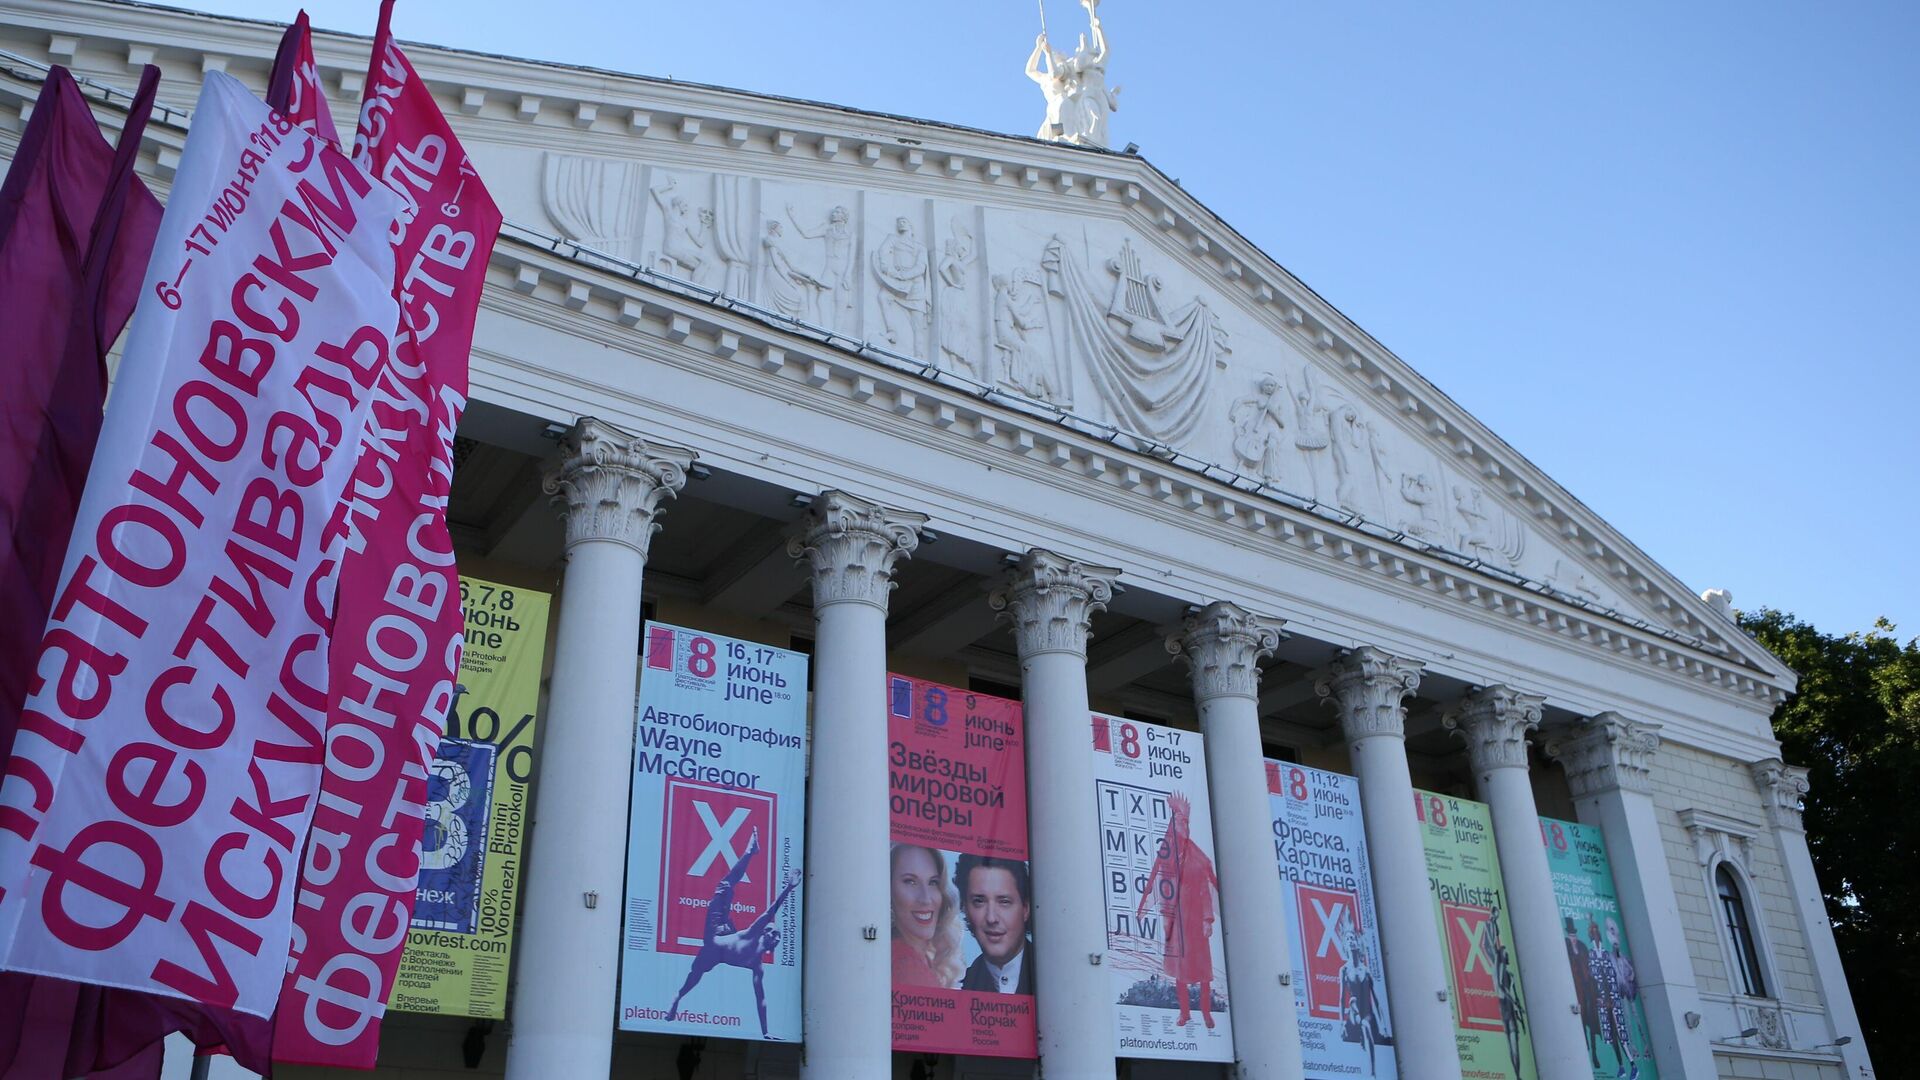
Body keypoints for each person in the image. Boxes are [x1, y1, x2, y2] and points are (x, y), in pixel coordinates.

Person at [663, 828, 799, 1040]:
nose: (777, 937)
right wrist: (789, 888)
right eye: (773, 932)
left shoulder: (757, 965)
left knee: (696, 974)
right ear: (765, 932)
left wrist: (765, 1032)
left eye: (779, 936)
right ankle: (749, 852)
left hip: (720, 944)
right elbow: (770, 910)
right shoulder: (753, 933)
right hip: (717, 933)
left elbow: (760, 998)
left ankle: (677, 997)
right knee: (725, 886)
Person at [1133, 792, 1220, 1028]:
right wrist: (1151, 912)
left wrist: (1207, 919)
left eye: (1187, 823)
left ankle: (1206, 1012)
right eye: (1181, 823)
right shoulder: (1168, 854)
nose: (1185, 827)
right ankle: (1185, 1013)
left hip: (1195, 920)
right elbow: (1157, 882)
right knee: (1181, 971)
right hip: (1176, 921)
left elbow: (1207, 886)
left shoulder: (1197, 857)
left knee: (1203, 972)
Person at [954, 854, 1035, 995]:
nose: (991, 918)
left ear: (1025, 908)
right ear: (965, 908)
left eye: (1004, 902)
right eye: (979, 901)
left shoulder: (1055, 973)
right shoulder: (960, 987)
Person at [890, 843, 964, 988]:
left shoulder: (918, 959)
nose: (925, 899)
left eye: (933, 882)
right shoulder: (906, 965)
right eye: (910, 881)